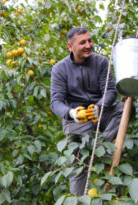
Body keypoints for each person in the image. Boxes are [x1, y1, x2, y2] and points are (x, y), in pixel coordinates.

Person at [50, 27, 124, 196]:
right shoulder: (59, 69)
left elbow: (110, 91)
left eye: (90, 40)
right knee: (78, 164)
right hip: (77, 121)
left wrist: (99, 106)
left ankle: (102, 150)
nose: (88, 45)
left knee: (124, 109)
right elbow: (56, 102)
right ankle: (77, 200)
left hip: (100, 113)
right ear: (70, 47)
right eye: (82, 42)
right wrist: (72, 113)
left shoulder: (101, 62)